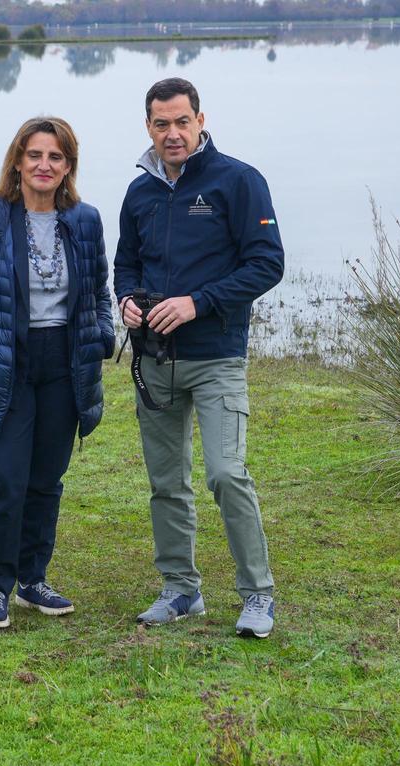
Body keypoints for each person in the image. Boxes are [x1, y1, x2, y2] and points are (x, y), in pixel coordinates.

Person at [114, 78, 284, 637]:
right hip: (155, 361)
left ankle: (257, 595)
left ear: (200, 120)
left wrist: (196, 304)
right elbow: (126, 267)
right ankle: (181, 589)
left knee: (227, 474)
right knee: (166, 482)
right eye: (161, 124)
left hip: (216, 358)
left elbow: (266, 265)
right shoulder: (139, 193)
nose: (173, 133)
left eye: (182, 121)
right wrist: (129, 303)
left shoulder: (238, 180)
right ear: (148, 127)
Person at [0, 117, 115, 630]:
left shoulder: (85, 221)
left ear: (68, 167)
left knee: (46, 480)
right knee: (4, 479)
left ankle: (32, 579)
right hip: (7, 365)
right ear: (17, 160)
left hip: (64, 364)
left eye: (56, 157)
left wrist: (102, 337)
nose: (44, 165)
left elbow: (100, 293)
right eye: (35, 155)